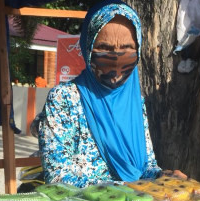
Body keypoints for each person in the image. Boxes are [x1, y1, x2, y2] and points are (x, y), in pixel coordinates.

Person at [38, 0, 182, 188]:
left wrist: (162, 176)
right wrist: (130, 188)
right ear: (87, 47)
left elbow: (145, 168)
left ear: (137, 50)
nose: (116, 58)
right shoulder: (64, 98)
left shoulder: (135, 102)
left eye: (127, 48)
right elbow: (58, 179)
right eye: (105, 48)